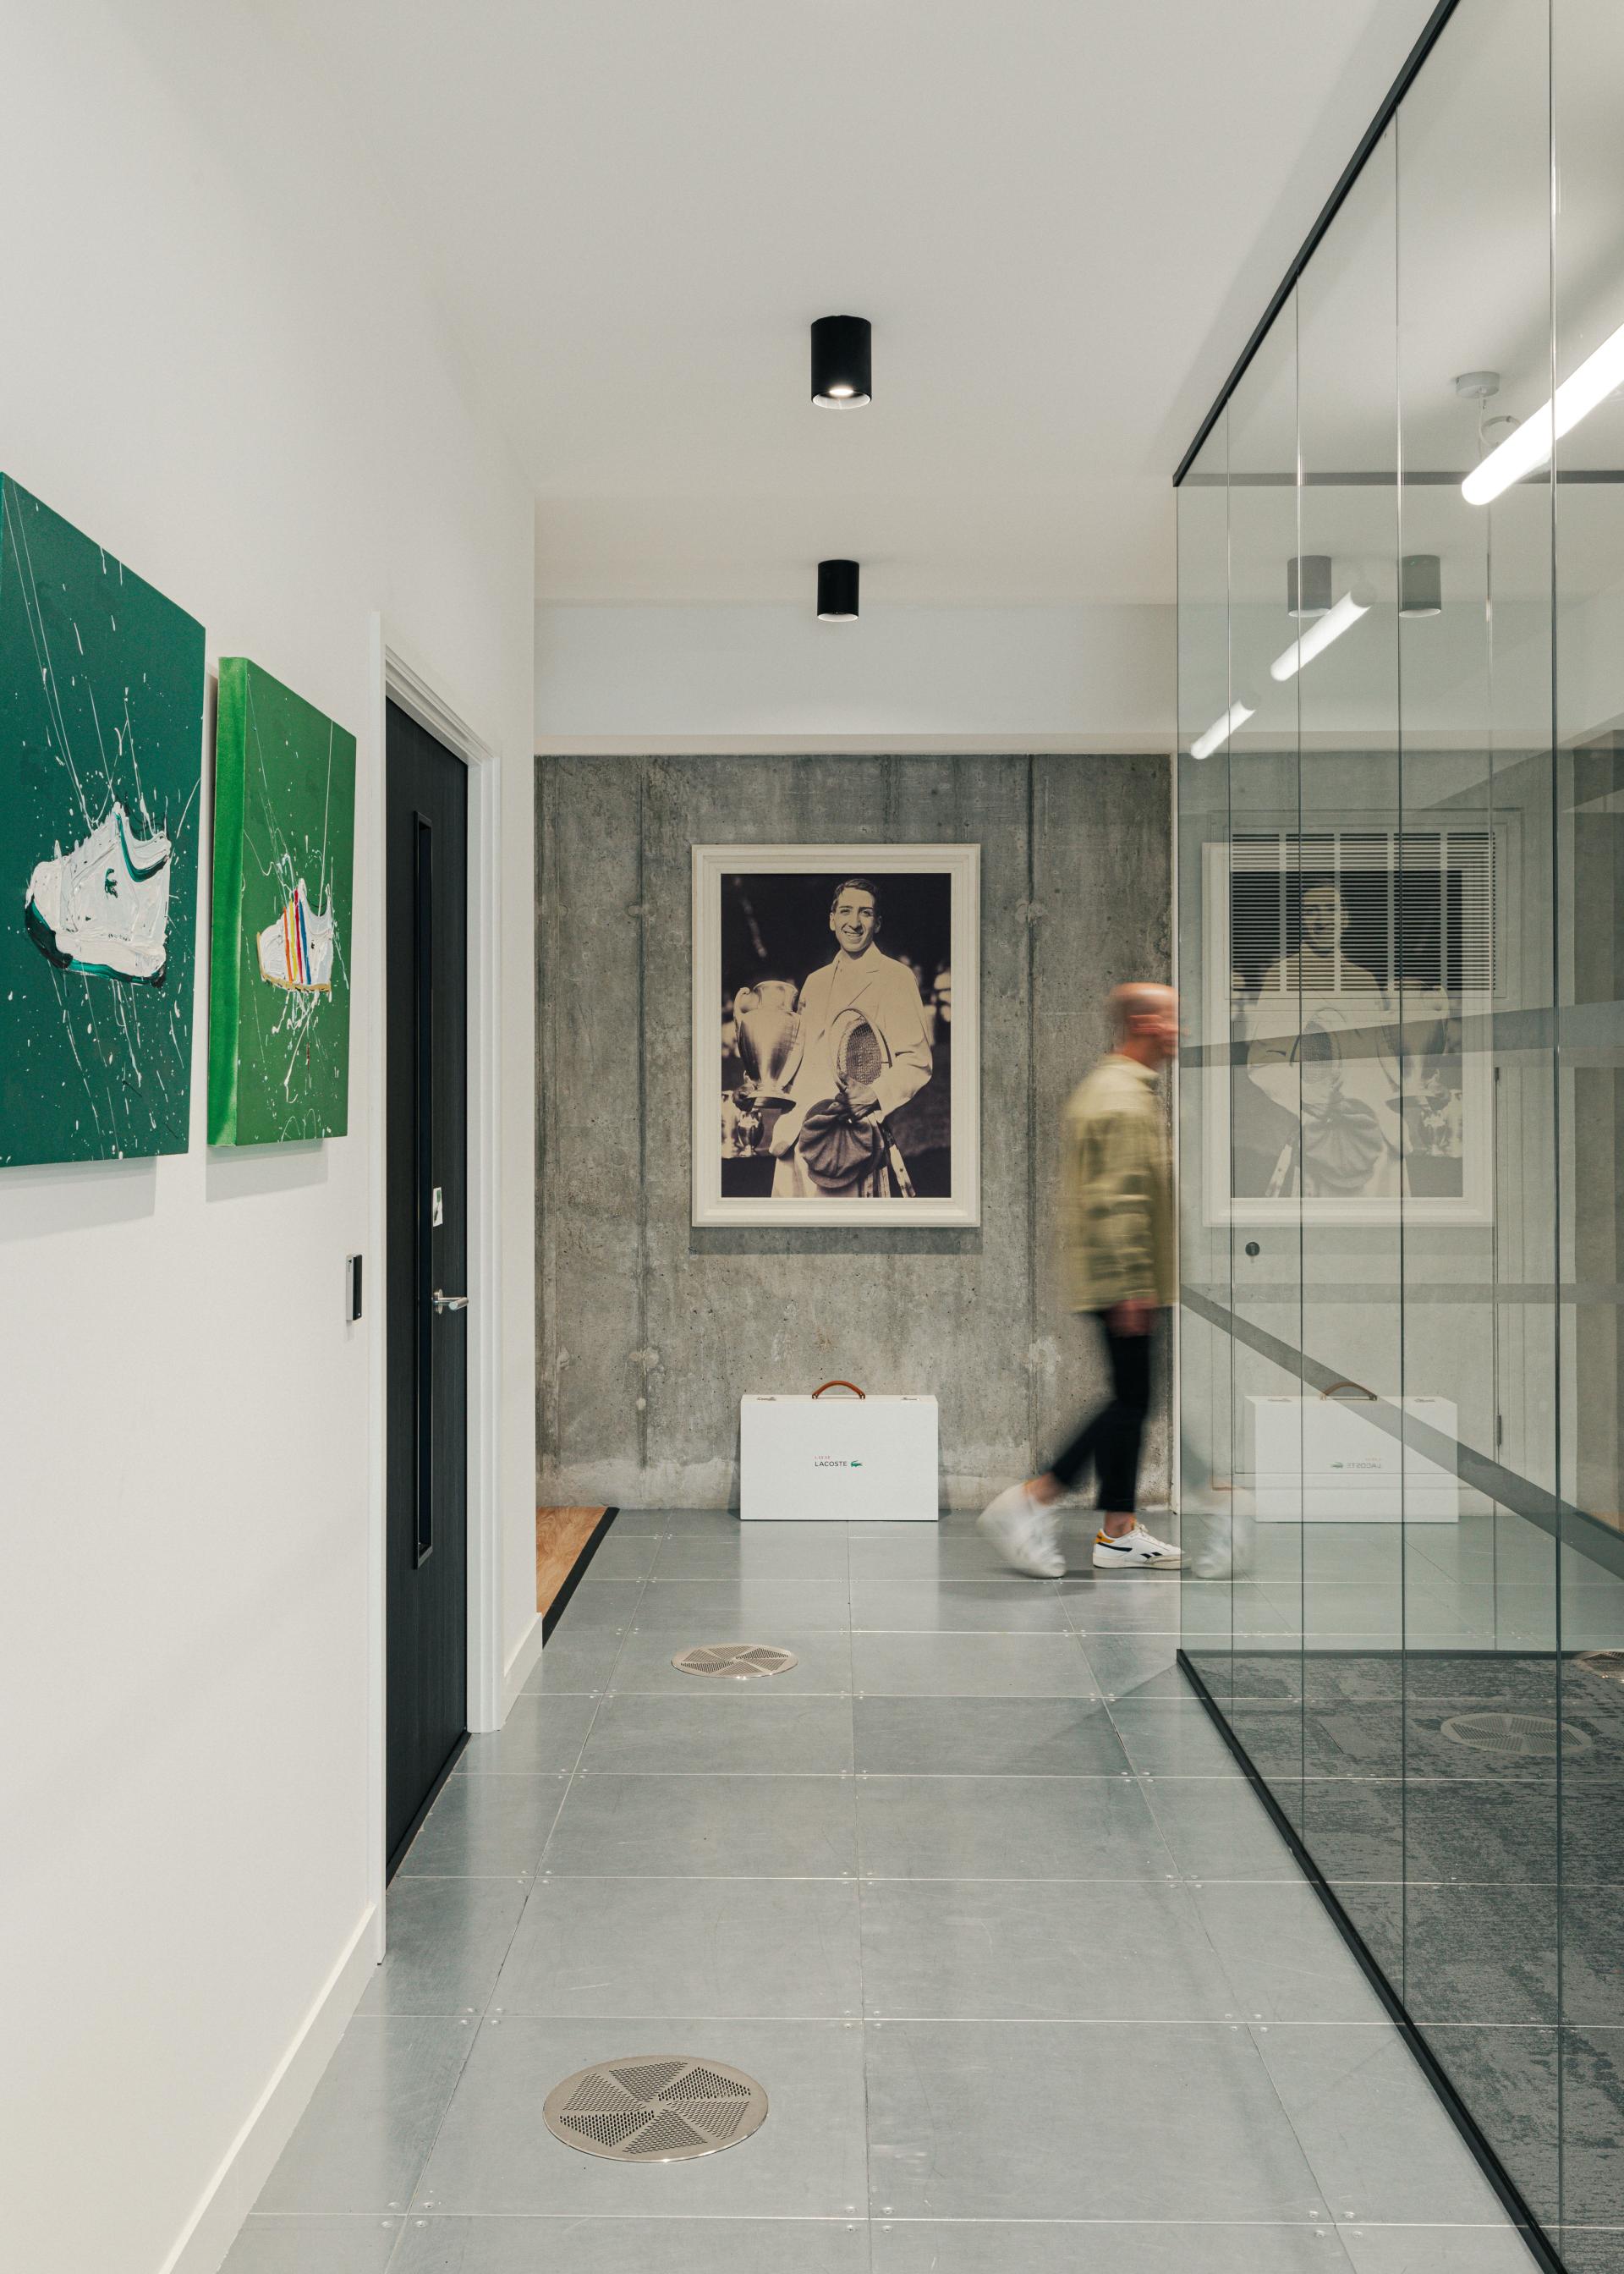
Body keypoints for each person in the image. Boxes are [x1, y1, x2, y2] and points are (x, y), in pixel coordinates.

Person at [979, 982, 1181, 1576]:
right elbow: (1117, 1201)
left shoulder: (1120, 1088)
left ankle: (1119, 1531)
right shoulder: (1121, 1098)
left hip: (1128, 1278)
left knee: (1133, 1399)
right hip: (1127, 1281)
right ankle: (1034, 1498)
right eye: (1170, 1019)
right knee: (1127, 1402)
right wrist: (1132, 1286)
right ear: (1143, 1023)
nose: (1178, 1031)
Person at [768, 876, 932, 1198]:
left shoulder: (895, 978)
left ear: (878, 923)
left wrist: (874, 1094)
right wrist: (766, 1079)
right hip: (798, 1131)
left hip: (850, 1134)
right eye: (845, 911)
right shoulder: (815, 982)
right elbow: (800, 1056)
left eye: (865, 913)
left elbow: (917, 1062)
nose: (854, 923)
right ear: (832, 920)